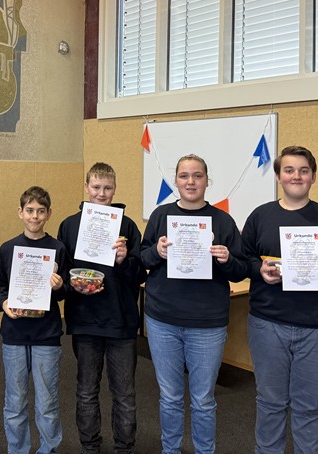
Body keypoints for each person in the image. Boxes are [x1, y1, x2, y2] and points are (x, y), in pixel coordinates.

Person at [241, 145, 318, 453]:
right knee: (270, 402)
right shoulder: (260, 216)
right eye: (289, 170)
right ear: (279, 176)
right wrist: (259, 270)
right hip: (268, 325)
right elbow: (244, 260)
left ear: (313, 176)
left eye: (304, 171)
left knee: (310, 406)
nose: (296, 176)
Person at [140, 154, 249, 454]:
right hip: (163, 320)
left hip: (207, 323)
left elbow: (241, 270)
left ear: (206, 181)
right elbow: (142, 257)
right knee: (170, 397)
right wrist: (157, 252)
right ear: (176, 181)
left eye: (197, 176)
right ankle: (170, 450)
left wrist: (227, 259)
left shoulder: (223, 221)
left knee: (203, 399)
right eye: (184, 176)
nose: (191, 182)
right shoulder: (161, 216)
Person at [57, 162, 145, 454]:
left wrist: (124, 260)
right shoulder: (69, 226)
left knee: (125, 394)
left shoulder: (127, 226)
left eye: (108, 188)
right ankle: (90, 446)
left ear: (115, 189)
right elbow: (63, 274)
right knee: (86, 390)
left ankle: (125, 448)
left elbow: (139, 274)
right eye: (96, 187)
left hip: (121, 321)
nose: (102, 193)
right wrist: (72, 285)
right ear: (86, 187)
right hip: (85, 319)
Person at [0, 186, 69, 454]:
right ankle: (18, 450)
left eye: (40, 211)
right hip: (14, 333)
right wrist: (3, 303)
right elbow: (0, 286)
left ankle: (48, 450)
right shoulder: (8, 249)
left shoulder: (58, 248)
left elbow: (65, 292)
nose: (35, 216)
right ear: (20, 212)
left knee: (47, 403)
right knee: (15, 402)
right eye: (29, 210)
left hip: (46, 334)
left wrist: (59, 286)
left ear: (49, 214)